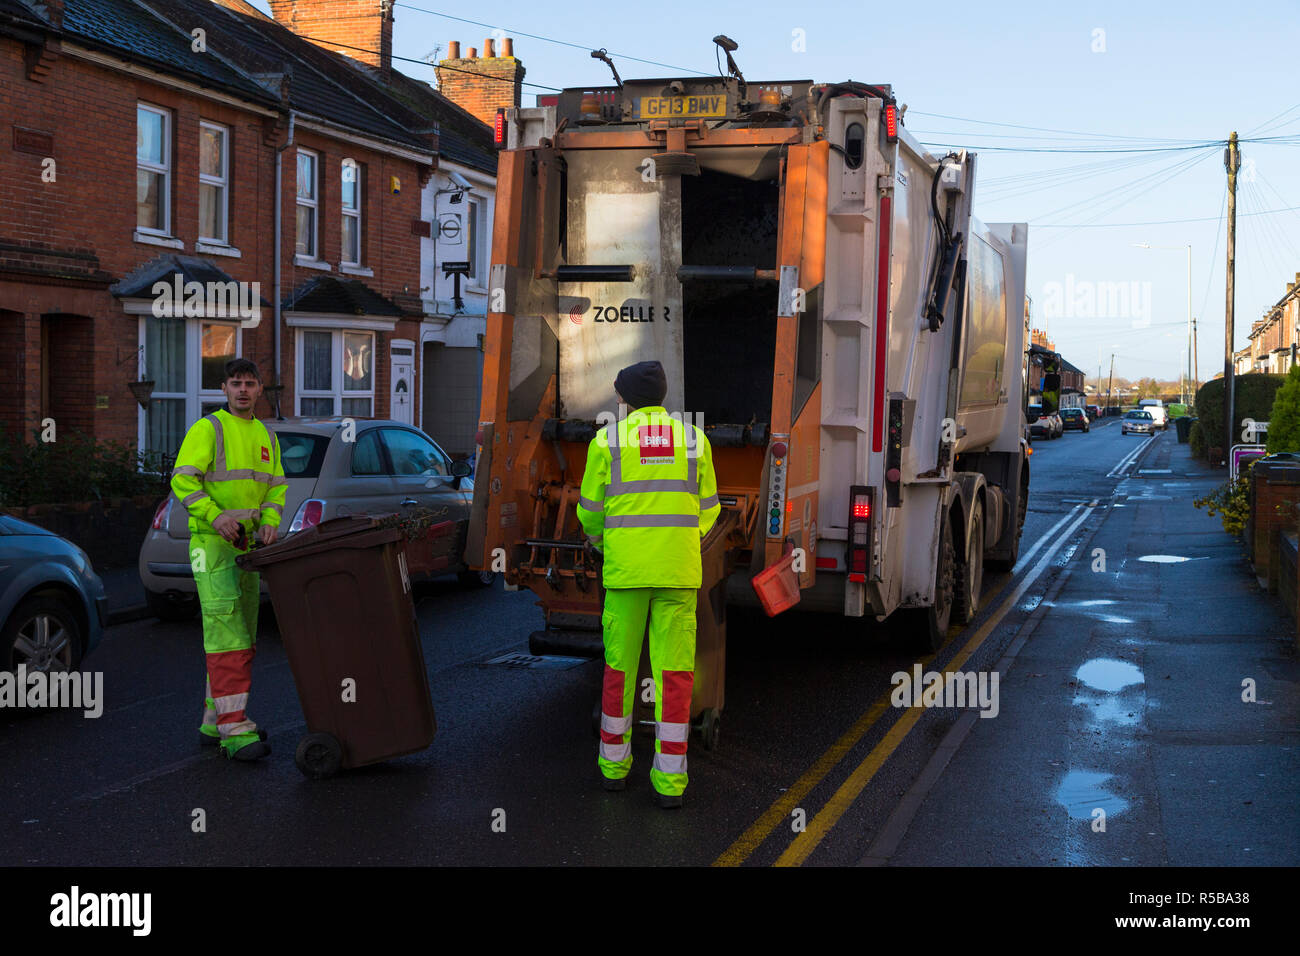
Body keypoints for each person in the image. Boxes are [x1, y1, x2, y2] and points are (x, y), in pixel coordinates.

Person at [577, 360, 720, 808]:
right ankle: (670, 783)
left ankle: (614, 768)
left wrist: (603, 543)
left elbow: (588, 511)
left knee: (620, 672)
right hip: (677, 575)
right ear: (661, 398)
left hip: (626, 576)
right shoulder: (695, 440)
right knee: (674, 676)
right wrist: (678, 543)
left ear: (623, 399)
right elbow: (710, 510)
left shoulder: (607, 441)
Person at [171, 358, 286, 761]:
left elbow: (275, 488)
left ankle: (213, 720)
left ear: (259, 390)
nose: (242, 390)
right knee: (228, 637)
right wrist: (214, 516)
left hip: (248, 548)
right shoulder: (209, 429)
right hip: (212, 546)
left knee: (243, 636)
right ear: (223, 389)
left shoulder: (265, 436)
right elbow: (183, 479)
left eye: (249, 383)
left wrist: (270, 521)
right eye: (235, 383)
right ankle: (235, 731)